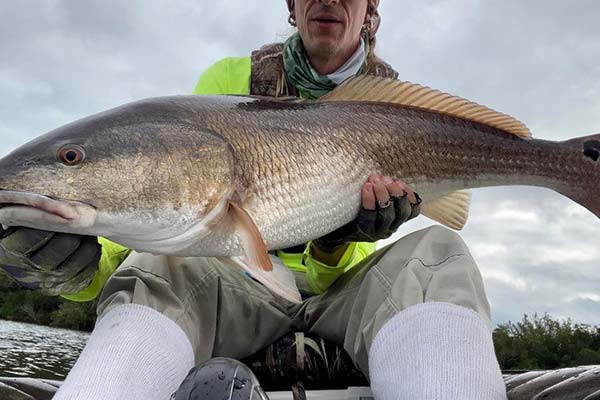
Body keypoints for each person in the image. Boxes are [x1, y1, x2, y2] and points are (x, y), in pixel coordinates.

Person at [0, 1, 507, 399]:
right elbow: (169, 206)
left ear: (371, 7)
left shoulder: (389, 101)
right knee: (158, 265)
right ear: (292, 4)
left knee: (440, 253)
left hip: (342, 292)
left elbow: (332, 276)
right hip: (232, 286)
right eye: (72, 157)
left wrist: (339, 237)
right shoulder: (225, 81)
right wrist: (77, 269)